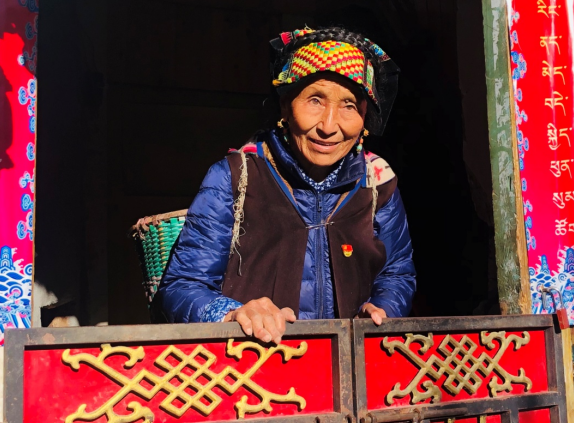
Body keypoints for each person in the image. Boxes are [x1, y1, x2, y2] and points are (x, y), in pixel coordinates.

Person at [159, 27, 415, 344]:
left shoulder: (377, 182)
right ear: (285, 106)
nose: (328, 126)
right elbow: (182, 286)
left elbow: (397, 273)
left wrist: (383, 310)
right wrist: (234, 313)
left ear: (364, 116)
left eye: (349, 105)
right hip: (254, 364)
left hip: (350, 363)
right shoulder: (235, 176)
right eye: (315, 100)